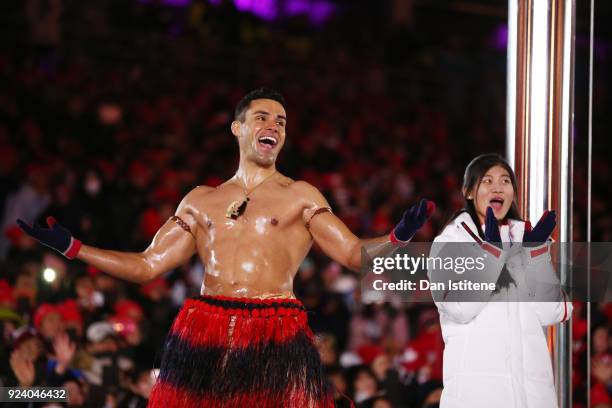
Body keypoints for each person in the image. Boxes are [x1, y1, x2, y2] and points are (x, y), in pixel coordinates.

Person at [17, 88, 434, 407]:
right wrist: (75, 248)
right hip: (205, 327)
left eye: (282, 122)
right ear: (238, 128)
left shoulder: (301, 195)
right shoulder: (200, 200)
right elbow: (147, 266)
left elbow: (352, 254)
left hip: (274, 329)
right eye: (263, 117)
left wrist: (397, 237)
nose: (274, 126)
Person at [428, 153, 572, 408]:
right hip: (478, 395)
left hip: (533, 396)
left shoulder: (527, 241)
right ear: (469, 191)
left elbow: (555, 311)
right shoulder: (449, 243)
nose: (498, 187)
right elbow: (458, 308)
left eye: (505, 181)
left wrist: (536, 254)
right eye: (487, 180)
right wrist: (492, 255)